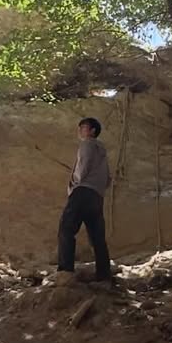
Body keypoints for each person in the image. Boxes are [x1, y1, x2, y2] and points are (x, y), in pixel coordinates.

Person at [57, 116, 113, 282]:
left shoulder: (87, 144)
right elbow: (108, 179)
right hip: (97, 196)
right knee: (97, 237)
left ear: (92, 131)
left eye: (83, 128)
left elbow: (82, 167)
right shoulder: (102, 151)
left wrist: (74, 185)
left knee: (66, 229)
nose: (80, 131)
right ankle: (104, 275)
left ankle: (65, 271)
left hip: (82, 192)